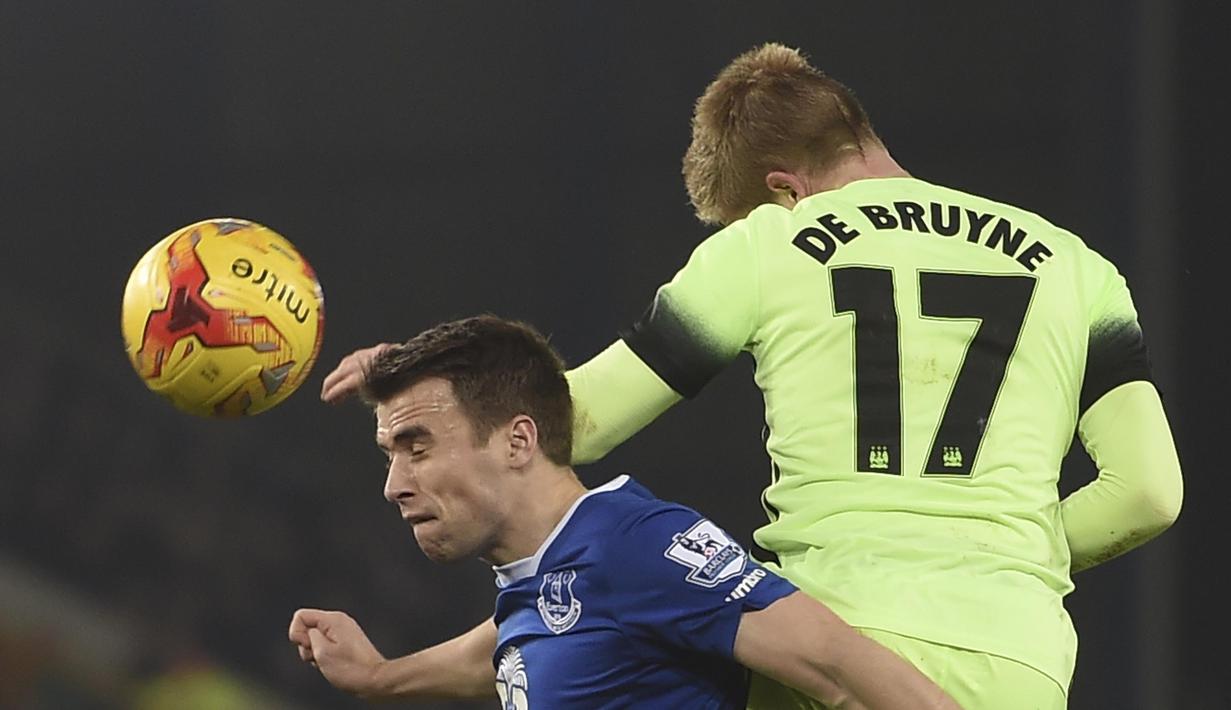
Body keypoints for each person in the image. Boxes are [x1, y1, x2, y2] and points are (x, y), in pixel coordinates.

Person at [317, 44, 1183, 708]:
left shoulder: (770, 243)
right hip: (1020, 655)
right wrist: (1003, 552)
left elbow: (570, 426)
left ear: (782, 188)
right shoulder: (1078, 268)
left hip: (833, 640)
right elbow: (1148, 494)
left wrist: (422, 377)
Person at [289, 315, 958, 710]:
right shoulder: (542, 580)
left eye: (418, 447)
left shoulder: (639, 546)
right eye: (390, 454)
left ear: (518, 442)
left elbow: (840, 666)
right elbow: (507, 646)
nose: (394, 485)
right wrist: (381, 677)